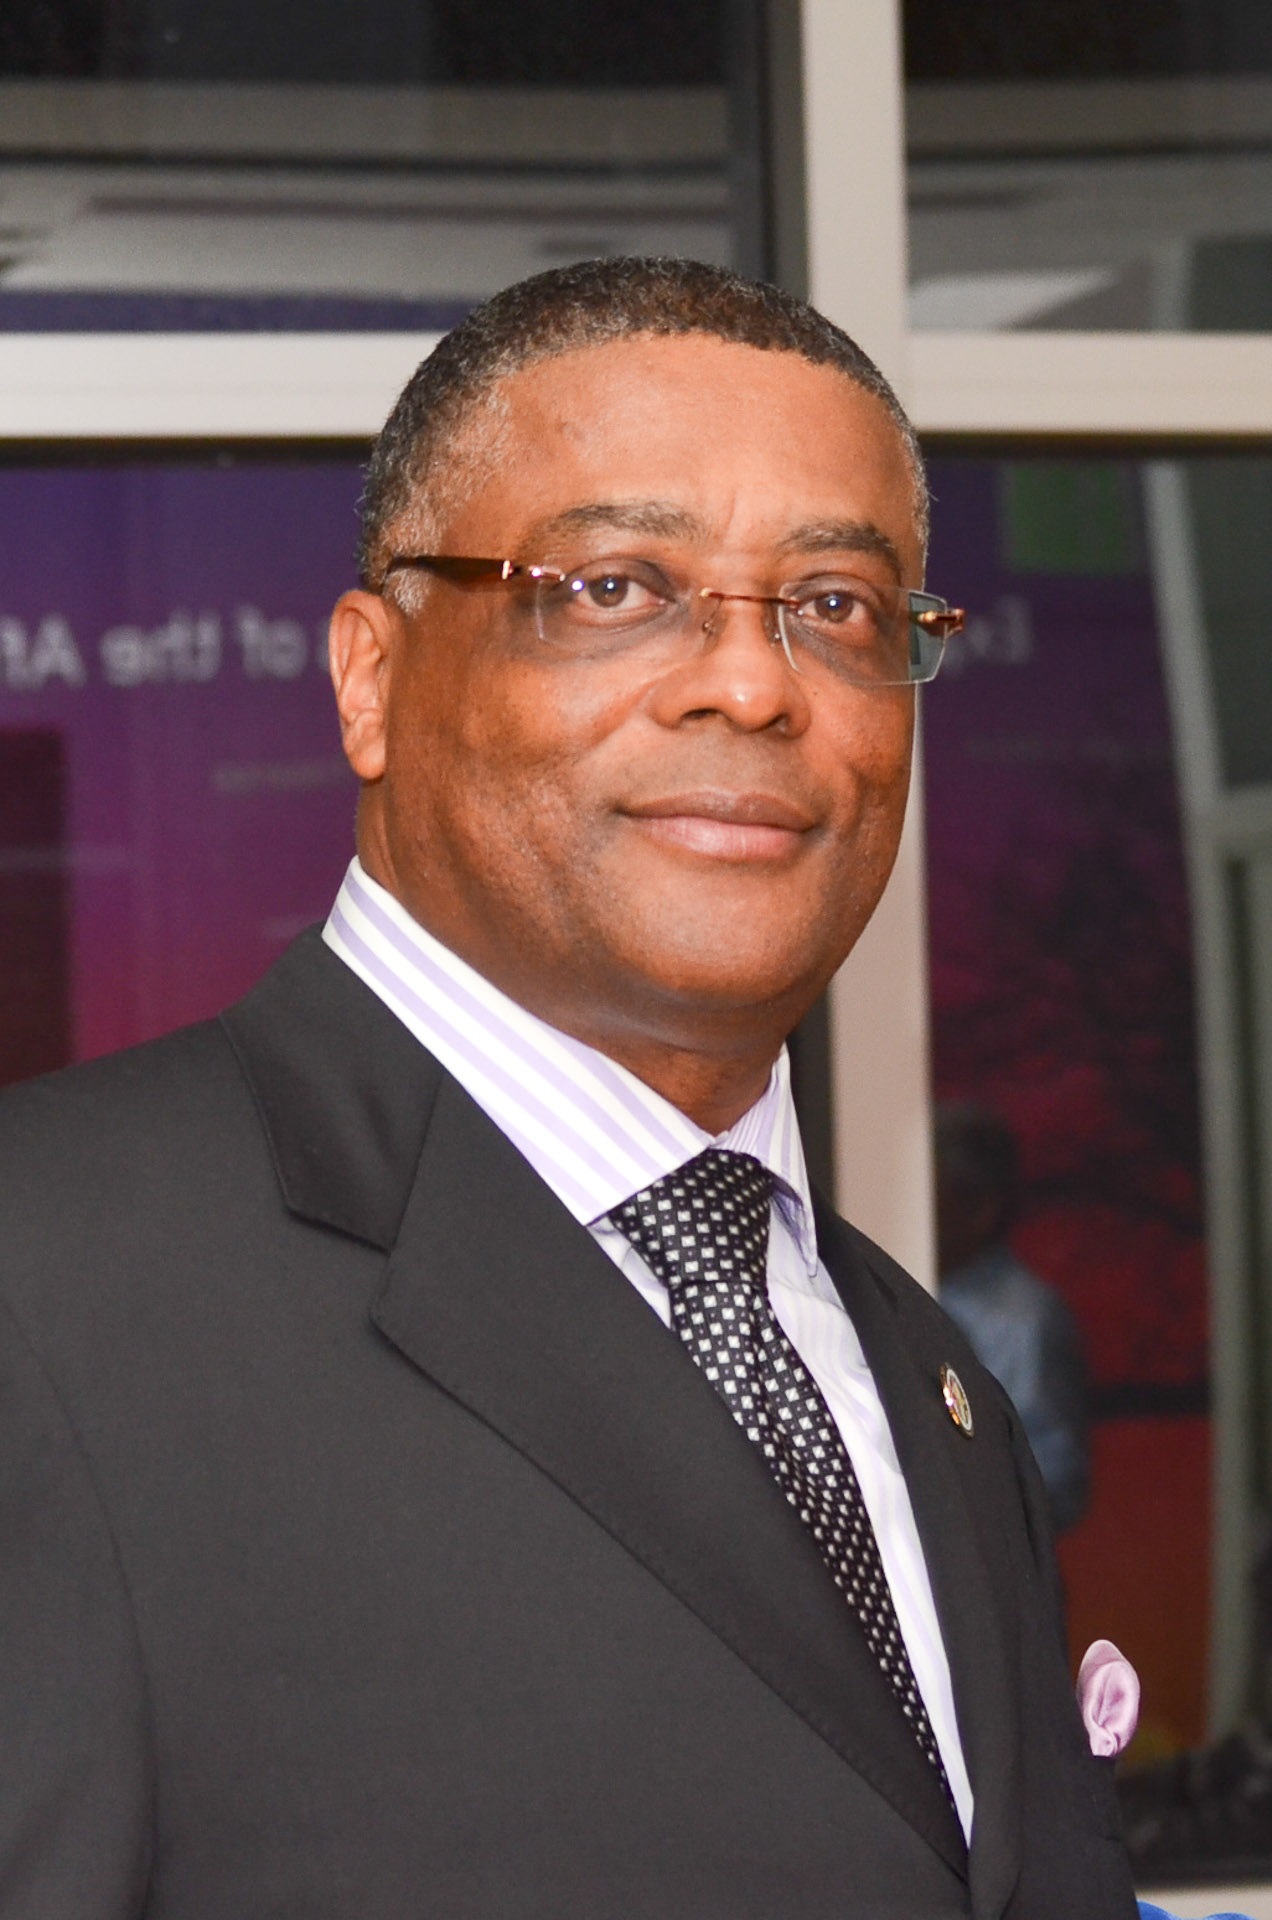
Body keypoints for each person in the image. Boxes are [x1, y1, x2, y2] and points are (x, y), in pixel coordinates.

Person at [0, 258, 1139, 1918]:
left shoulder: (921, 1376)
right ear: (371, 678)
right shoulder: (48, 1295)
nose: (752, 684)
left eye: (833, 604)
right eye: (615, 586)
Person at [935, 1101, 1092, 1533]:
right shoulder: (912, 1296)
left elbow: (1054, 1477)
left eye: (930, 1194)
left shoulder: (1024, 1322)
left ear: (978, 1208)